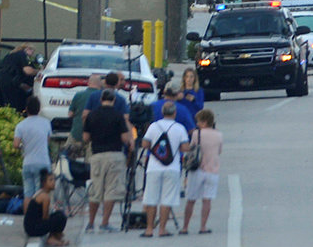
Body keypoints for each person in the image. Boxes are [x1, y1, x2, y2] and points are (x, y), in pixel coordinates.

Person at [81, 73, 135, 232]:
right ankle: (104, 223)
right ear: (113, 100)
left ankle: (90, 223)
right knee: (111, 190)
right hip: (115, 154)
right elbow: (125, 137)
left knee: (95, 190)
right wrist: (130, 142)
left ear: (100, 99)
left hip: (97, 154)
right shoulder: (118, 116)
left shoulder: (92, 115)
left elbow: (85, 138)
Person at [140, 100, 192, 238]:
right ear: (174, 113)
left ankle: (149, 229)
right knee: (167, 199)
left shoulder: (153, 126)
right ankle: (162, 229)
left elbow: (145, 143)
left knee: (151, 198)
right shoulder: (179, 128)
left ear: (162, 113)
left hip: (153, 167)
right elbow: (185, 147)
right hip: (172, 167)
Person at [186, 109, 224, 236]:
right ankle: (203, 227)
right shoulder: (219, 134)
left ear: (204, 121)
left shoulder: (197, 134)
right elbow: (219, 151)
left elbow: (191, 148)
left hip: (197, 170)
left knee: (191, 200)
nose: (197, 124)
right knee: (207, 200)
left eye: (198, 121)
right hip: (213, 170)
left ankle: (185, 227)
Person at [20, 172, 70, 247]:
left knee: (59, 214)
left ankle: (55, 236)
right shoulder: (44, 196)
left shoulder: (41, 193)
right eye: (50, 180)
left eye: (54, 180)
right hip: (33, 228)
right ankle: (52, 238)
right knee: (60, 217)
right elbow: (45, 217)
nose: (53, 182)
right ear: (44, 183)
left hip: (30, 226)